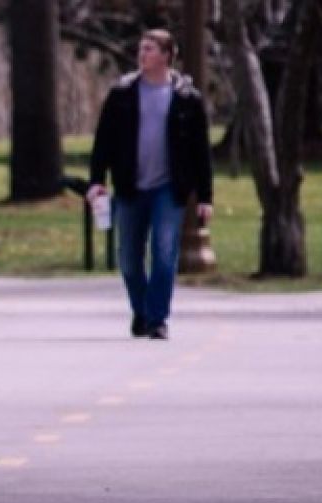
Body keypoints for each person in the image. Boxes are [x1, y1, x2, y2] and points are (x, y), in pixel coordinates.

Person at [86, 29, 213, 341]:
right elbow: (104, 141)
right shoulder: (122, 94)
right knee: (129, 259)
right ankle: (141, 311)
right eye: (141, 49)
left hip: (169, 188)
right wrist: (96, 181)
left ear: (167, 56)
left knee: (164, 251)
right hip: (130, 186)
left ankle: (157, 319)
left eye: (150, 49)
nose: (142, 54)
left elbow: (201, 151)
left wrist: (205, 196)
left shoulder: (187, 99)